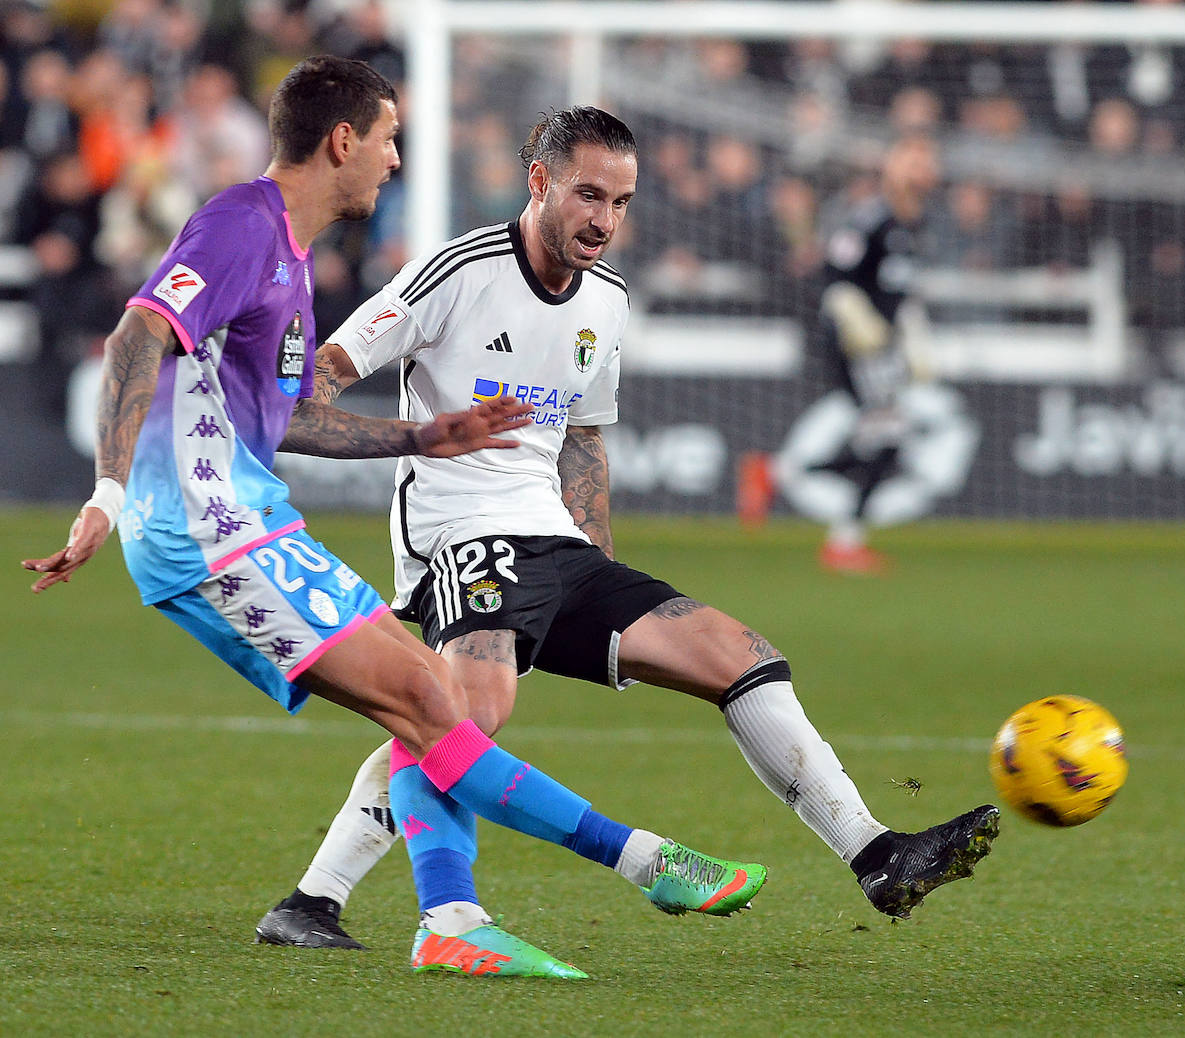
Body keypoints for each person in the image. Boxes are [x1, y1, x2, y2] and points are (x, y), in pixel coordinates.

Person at [22, 56, 766, 981]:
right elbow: (138, 334)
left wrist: (428, 434)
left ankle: (450, 918)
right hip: (205, 531)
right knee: (429, 702)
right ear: (343, 140)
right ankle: (645, 863)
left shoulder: (286, 258)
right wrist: (107, 493)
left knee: (437, 703)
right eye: (388, 138)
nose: (395, 158)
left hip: (254, 519)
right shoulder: (239, 226)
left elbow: (286, 419)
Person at [252, 105, 999, 952]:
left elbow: (581, 435)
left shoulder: (606, 299)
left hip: (557, 545)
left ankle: (876, 853)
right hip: (462, 539)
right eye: (588, 195)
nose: (605, 220)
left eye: (621, 202)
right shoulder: (458, 269)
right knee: (465, 715)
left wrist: (597, 559)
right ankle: (328, 901)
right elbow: (320, 377)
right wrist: (409, 439)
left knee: (740, 656)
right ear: (538, 183)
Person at [738, 134, 948, 573]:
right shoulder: (872, 217)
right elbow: (833, 276)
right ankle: (841, 540)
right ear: (892, 167)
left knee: (882, 440)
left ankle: (777, 475)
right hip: (857, 346)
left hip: (884, 348)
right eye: (913, 157)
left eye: (927, 160)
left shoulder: (918, 221)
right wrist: (857, 320)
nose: (922, 168)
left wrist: (911, 337)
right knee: (887, 439)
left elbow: (899, 291)